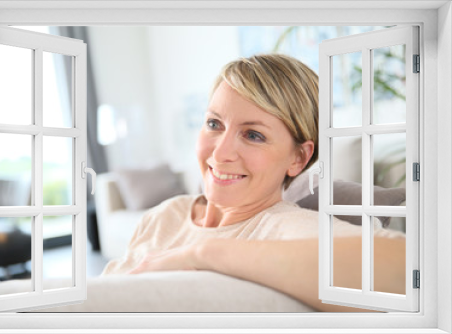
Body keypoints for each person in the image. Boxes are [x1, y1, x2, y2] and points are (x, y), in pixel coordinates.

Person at [102, 54, 405, 312]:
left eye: (253, 135)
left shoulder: (281, 227)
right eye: (214, 124)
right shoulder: (165, 214)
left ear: (298, 159)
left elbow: (402, 269)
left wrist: (204, 253)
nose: (220, 153)